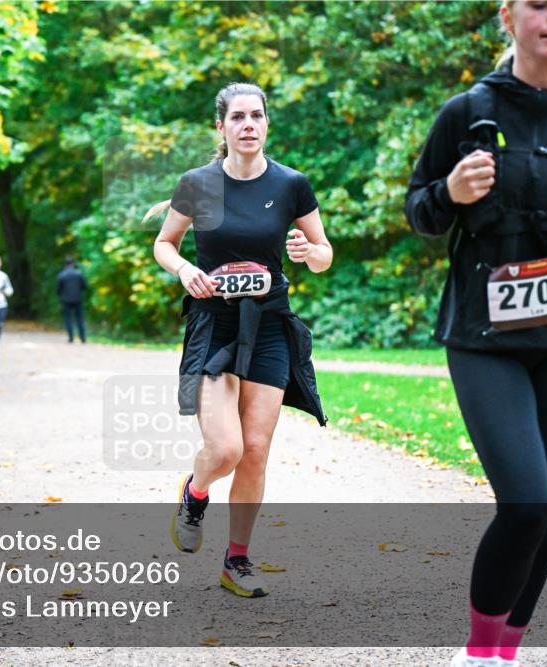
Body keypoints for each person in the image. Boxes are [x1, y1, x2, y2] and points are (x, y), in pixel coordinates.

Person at [405, 2, 547, 665]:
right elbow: (420, 213)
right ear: (509, 16)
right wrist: (449, 190)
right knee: (526, 502)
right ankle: (477, 653)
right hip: (484, 336)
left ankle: (506, 654)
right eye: (540, 3)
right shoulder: (466, 113)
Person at [153, 82, 331, 598]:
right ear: (222, 126)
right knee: (225, 447)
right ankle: (195, 491)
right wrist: (185, 269)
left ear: (266, 124)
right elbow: (165, 244)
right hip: (215, 325)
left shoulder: (292, 184)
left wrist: (307, 252)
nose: (248, 125)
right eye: (238, 117)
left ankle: (237, 560)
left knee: (255, 450)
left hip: (271, 325)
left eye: (257, 116)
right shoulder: (197, 183)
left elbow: (324, 252)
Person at [56, 257, 88, 343]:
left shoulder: (61, 275)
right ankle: (83, 337)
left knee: (68, 319)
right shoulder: (79, 274)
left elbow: (58, 290)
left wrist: (61, 296)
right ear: (73, 264)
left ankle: (71, 338)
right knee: (80, 319)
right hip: (77, 299)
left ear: (65, 265)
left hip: (66, 300)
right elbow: (84, 286)